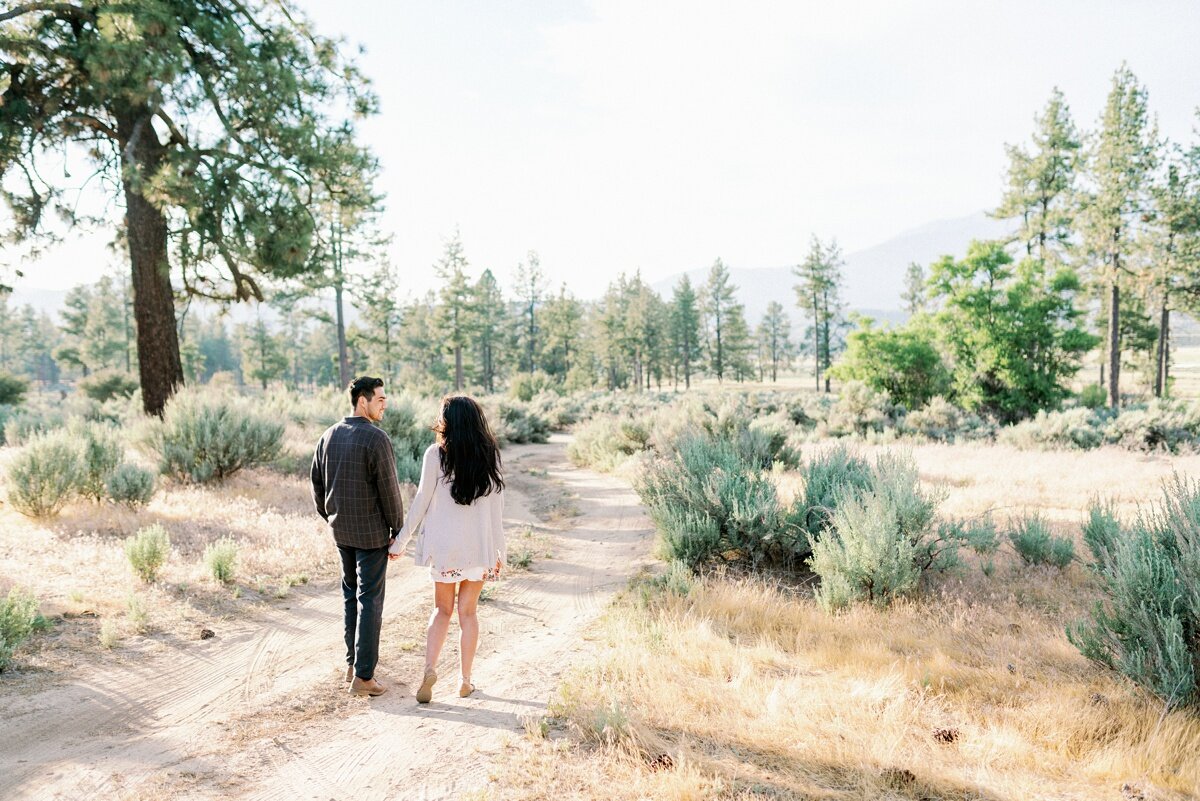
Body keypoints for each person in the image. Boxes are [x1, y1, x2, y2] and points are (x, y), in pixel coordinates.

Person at [389, 394, 506, 704]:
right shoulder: (489, 455)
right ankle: (465, 680)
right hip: (479, 550)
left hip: (446, 550)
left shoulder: (435, 454)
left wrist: (400, 541)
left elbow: (421, 502)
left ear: (448, 422)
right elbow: (497, 509)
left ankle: (429, 670)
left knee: (442, 611)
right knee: (468, 613)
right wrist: (499, 552)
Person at [311, 376, 405, 698]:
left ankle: (352, 664)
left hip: (342, 532)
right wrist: (397, 530)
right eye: (380, 399)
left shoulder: (328, 436)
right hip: (370, 536)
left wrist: (331, 517)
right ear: (361, 401)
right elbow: (390, 491)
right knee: (370, 600)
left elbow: (317, 486)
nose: (384, 404)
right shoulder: (376, 439)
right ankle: (364, 678)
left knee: (351, 596)